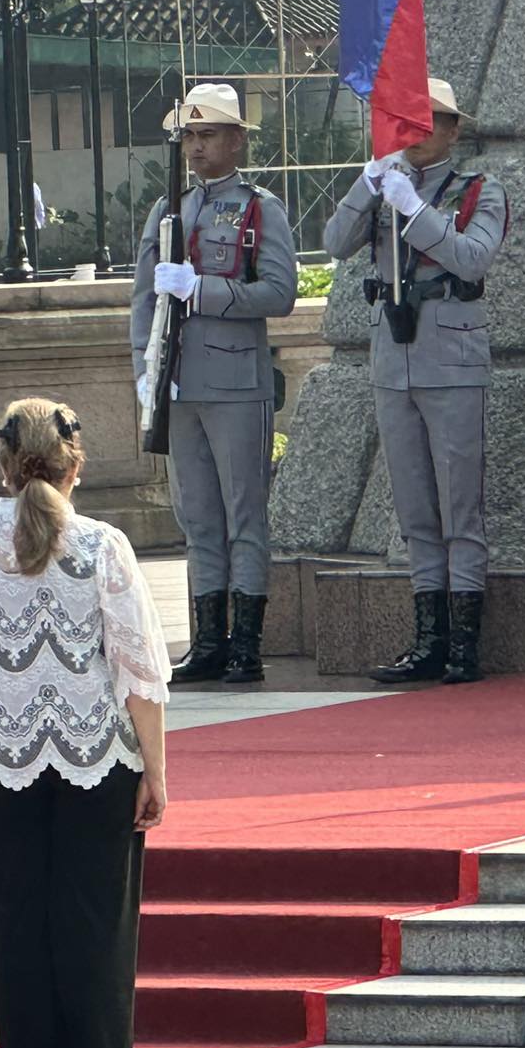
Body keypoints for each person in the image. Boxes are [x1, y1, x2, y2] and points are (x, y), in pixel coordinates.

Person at [0, 397, 170, 1048]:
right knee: (97, 946)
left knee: (16, 946)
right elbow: (138, 672)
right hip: (99, 760)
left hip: (1, 764)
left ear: (3, 464)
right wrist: (156, 771)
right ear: (74, 466)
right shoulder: (101, 545)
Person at [323, 78, 509, 685]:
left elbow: (471, 258)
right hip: (393, 360)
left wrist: (414, 209)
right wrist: (368, 184)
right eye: (407, 121)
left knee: (460, 507)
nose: (416, 133)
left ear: (455, 131)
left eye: (431, 122)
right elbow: (333, 243)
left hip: (451, 360)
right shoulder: (383, 186)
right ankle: (429, 639)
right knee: (415, 512)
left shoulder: (480, 190)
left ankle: (464, 643)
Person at [130, 81, 297, 684]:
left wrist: (205, 290)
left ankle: (246, 643)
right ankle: (208, 641)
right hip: (179, 384)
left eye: (207, 136)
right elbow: (143, 302)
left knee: (243, 514)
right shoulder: (168, 209)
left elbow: (280, 293)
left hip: (235, 380)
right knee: (197, 517)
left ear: (236, 141)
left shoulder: (259, 209)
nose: (195, 149)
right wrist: (144, 373)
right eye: (188, 138)